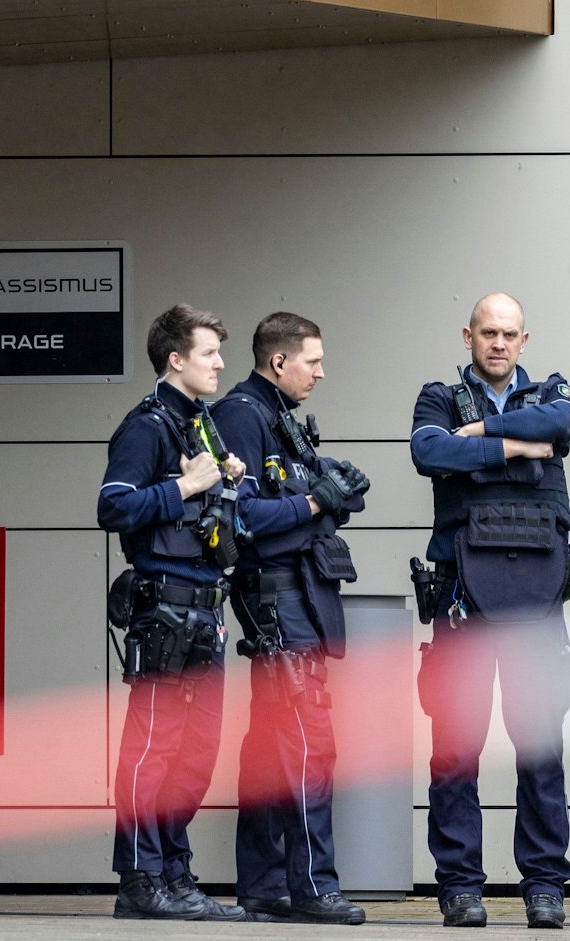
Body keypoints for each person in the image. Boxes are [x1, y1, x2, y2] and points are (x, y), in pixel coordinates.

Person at [409, 293, 570, 930]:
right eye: (488, 332)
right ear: (469, 337)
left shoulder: (550, 391)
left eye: (510, 334)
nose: (499, 343)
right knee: (456, 748)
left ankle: (544, 886)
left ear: (524, 340)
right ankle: (460, 886)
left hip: (537, 600)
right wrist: (519, 449)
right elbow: (430, 451)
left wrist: (484, 435)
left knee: (539, 746)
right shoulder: (439, 398)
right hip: (462, 599)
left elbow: (562, 424)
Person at [213, 311, 371, 925]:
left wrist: (334, 491)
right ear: (279, 361)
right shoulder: (243, 415)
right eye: (313, 361)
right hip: (276, 600)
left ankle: (264, 885)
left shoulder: (279, 416)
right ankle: (313, 887)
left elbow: (299, 502)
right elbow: (243, 517)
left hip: (298, 597)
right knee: (309, 743)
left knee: (271, 750)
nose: (321, 372)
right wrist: (313, 501)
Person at [97, 304, 247, 922]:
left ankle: (174, 873)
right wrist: (185, 486)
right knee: (152, 748)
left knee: (196, 755)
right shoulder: (146, 426)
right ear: (175, 358)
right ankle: (140, 880)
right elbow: (113, 507)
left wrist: (227, 479)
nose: (220, 363)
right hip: (163, 610)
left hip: (207, 611)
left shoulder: (201, 426)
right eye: (209, 353)